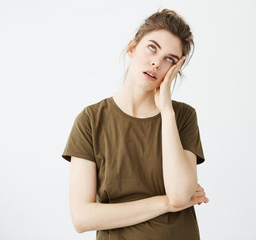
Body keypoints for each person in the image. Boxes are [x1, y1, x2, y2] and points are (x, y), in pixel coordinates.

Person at [61, 8, 209, 240]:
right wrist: (165, 203)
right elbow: (82, 218)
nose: (156, 63)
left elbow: (180, 195)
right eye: (152, 48)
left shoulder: (182, 116)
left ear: (175, 70)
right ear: (132, 47)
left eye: (169, 59)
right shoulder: (90, 120)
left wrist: (166, 111)